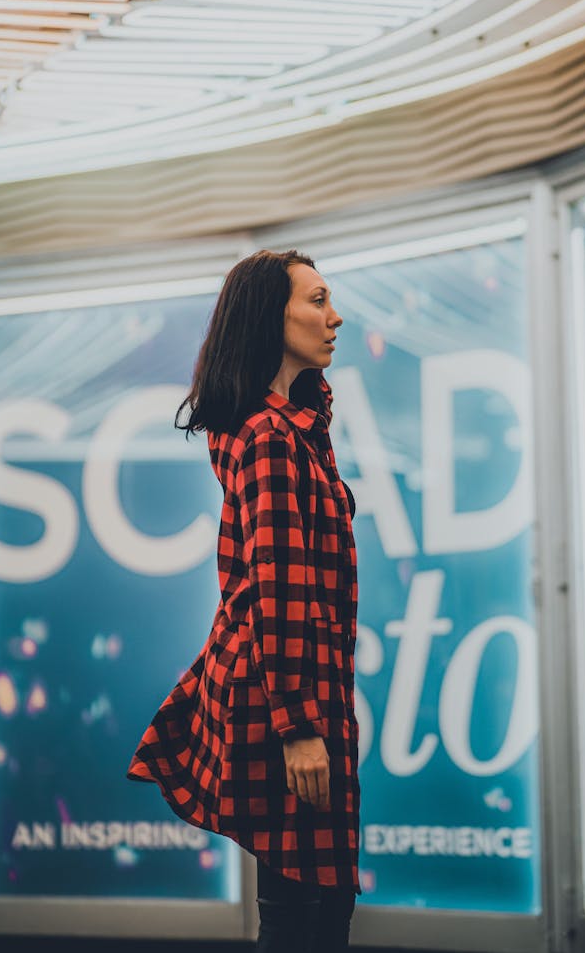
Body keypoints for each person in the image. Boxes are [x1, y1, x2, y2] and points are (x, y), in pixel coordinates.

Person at [127, 249, 361, 952]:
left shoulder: (292, 428)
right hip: (287, 699)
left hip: (296, 691)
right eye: (316, 300)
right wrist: (299, 726)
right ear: (271, 315)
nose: (334, 315)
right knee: (307, 910)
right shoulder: (269, 438)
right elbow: (277, 584)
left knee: (312, 900)